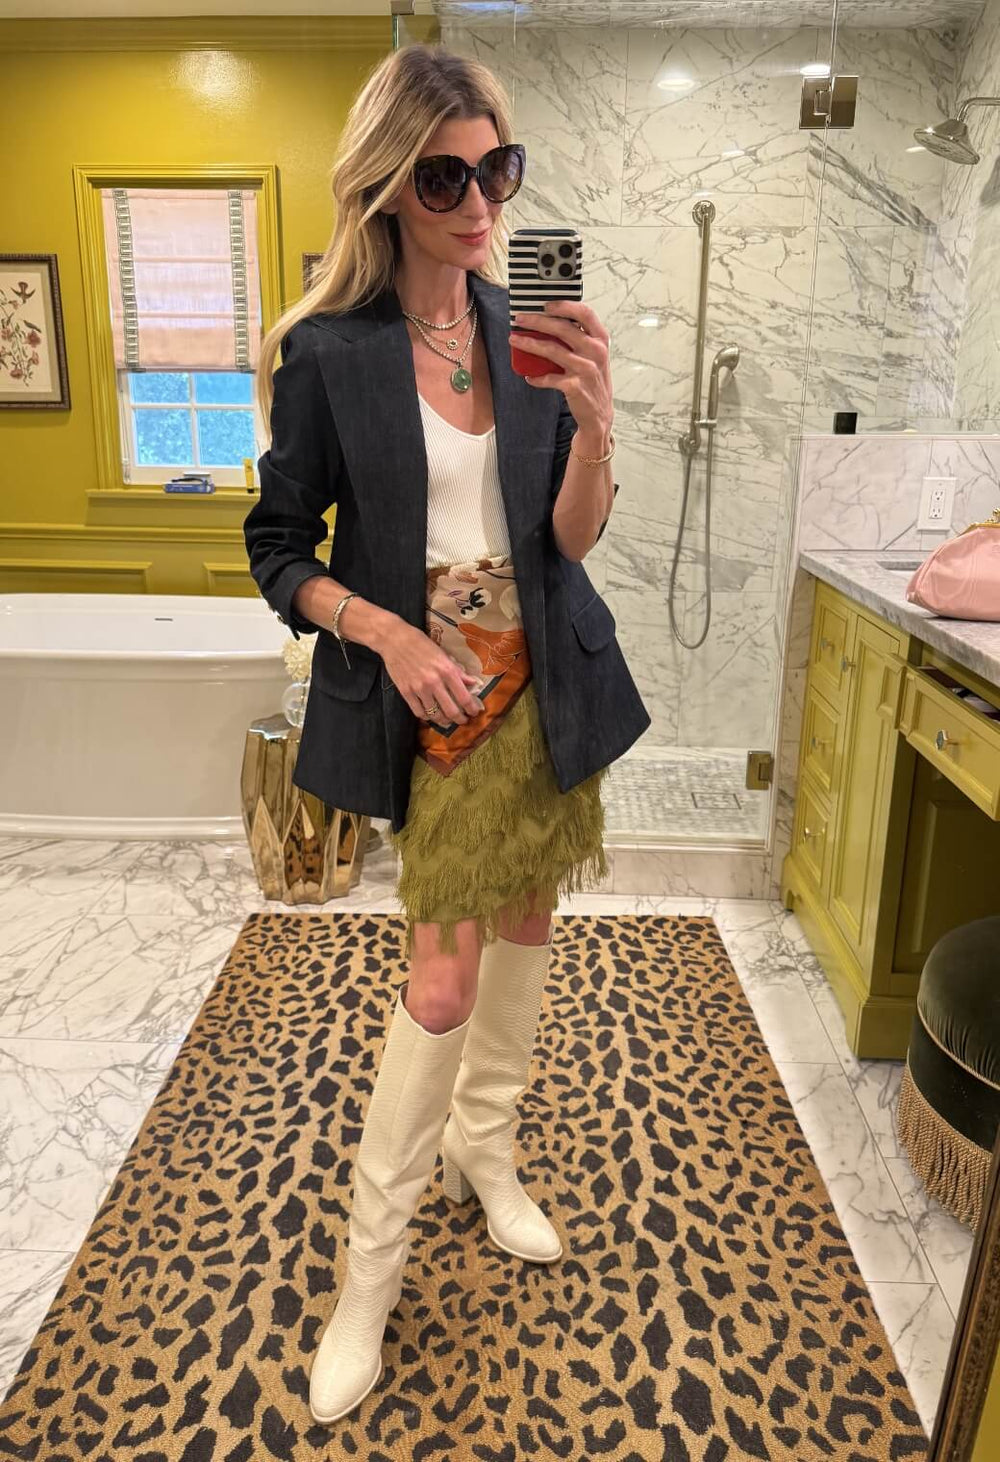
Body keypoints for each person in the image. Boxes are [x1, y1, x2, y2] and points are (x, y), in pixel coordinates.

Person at [245, 42, 650, 1428]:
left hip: (546, 684)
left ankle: (488, 1147)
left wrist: (595, 427)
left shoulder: (526, 329)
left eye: (499, 170)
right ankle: (368, 1278)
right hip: (429, 698)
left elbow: (568, 542)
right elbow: (279, 549)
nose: (481, 204)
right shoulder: (328, 354)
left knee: (527, 917)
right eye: (445, 179)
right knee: (438, 981)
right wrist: (390, 633)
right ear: (386, 185)